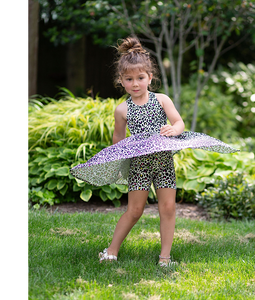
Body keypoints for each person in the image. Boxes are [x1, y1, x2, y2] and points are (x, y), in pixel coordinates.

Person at [70, 36, 239, 267]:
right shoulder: (122, 110)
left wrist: (173, 129)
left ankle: (165, 257)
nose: (135, 83)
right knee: (135, 210)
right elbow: (118, 141)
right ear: (121, 81)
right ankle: (111, 250)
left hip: (163, 163)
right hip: (139, 166)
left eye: (140, 78)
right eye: (129, 79)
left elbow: (179, 123)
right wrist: (114, 162)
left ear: (150, 77)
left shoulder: (162, 100)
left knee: (168, 208)